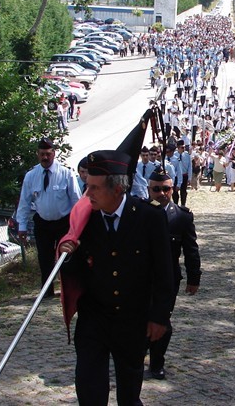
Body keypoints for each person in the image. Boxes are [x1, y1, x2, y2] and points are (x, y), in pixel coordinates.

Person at [58, 150, 173, 406]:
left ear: (118, 189)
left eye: (96, 188)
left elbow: (165, 272)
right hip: (93, 319)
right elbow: (74, 269)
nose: (88, 194)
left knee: (129, 393)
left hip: (132, 320)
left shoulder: (149, 217)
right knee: (89, 388)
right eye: (88, 187)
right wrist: (66, 253)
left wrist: (159, 317)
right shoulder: (84, 220)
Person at [146, 168, 201, 380]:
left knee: (162, 319)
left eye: (165, 189)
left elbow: (191, 249)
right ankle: (138, 352)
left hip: (168, 280)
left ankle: (157, 361)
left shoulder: (181, 216)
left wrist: (194, 278)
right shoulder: (139, 213)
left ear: (173, 189)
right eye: (156, 189)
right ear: (149, 189)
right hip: (141, 277)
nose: (161, 193)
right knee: (141, 316)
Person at [15, 138, 81, 298]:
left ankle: (68, 291)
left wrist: (77, 227)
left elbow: (76, 201)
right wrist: (22, 226)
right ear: (37, 154)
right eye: (42, 154)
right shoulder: (31, 176)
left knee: (66, 258)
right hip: (43, 223)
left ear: (54, 154)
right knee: (44, 259)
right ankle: (47, 292)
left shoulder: (65, 173)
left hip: (63, 223)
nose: (45, 158)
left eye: (48, 154)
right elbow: (24, 202)